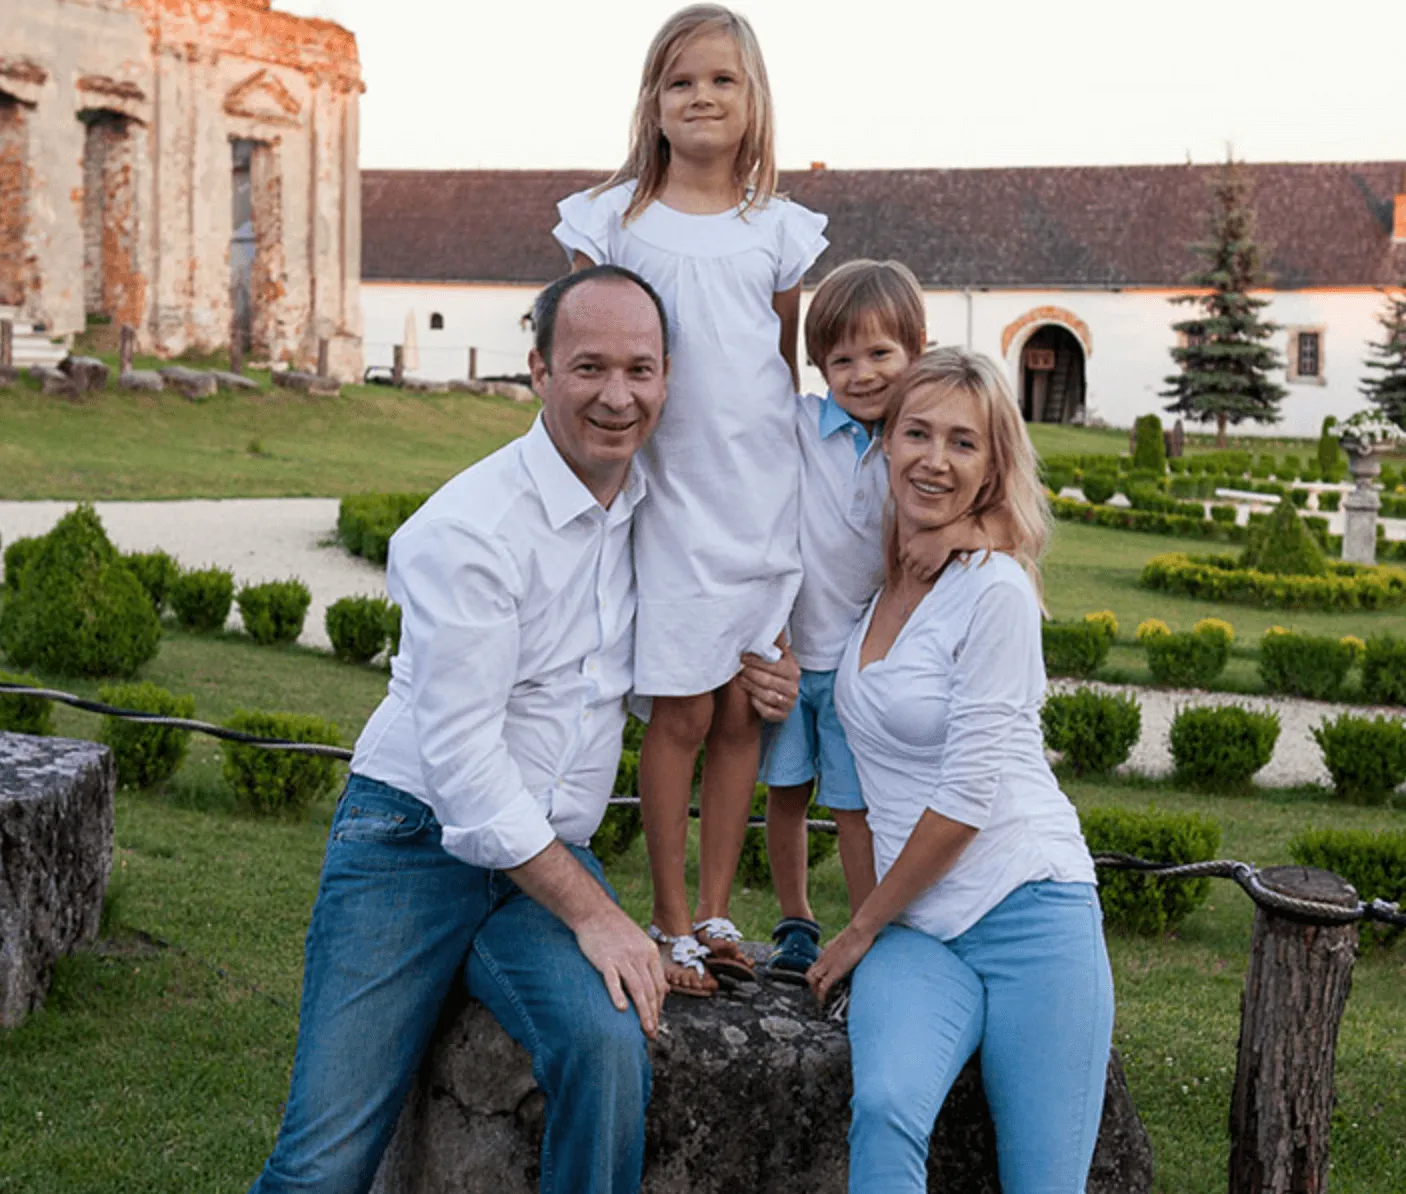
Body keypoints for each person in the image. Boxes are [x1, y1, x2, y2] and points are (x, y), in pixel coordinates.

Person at [247, 266, 800, 1194]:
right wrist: (601, 917)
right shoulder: (465, 532)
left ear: (668, 379)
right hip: (412, 840)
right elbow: (463, 762)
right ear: (538, 369)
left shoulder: (650, 514)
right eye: (589, 367)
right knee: (325, 1157)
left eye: (641, 369)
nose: (617, 397)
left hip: (545, 854)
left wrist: (760, 669)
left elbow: (689, 642)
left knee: (610, 1048)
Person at [552, 4, 828, 996]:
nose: (701, 97)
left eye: (721, 80)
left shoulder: (779, 233)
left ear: (752, 102)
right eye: (681, 82)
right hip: (666, 504)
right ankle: (667, 917)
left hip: (758, 503)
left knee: (742, 712)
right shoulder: (612, 219)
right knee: (678, 708)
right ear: (653, 102)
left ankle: (717, 909)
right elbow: (585, 356)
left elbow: (783, 372)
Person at [808, 348, 1116, 1194]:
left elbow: (969, 797)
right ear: (887, 444)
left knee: (1043, 1182)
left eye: (963, 443)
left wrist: (860, 926)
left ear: (992, 470)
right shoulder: (875, 592)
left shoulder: (996, 593)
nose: (934, 460)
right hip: (921, 930)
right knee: (885, 1109)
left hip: (1030, 910)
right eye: (916, 433)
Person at [760, 259, 926, 978]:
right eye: (841, 359)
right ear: (819, 364)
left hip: (864, 665)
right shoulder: (798, 426)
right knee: (788, 793)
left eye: (881, 354)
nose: (861, 373)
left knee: (856, 807)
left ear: (915, 352)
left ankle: (866, 930)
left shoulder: (916, 444)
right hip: (794, 654)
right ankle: (796, 919)